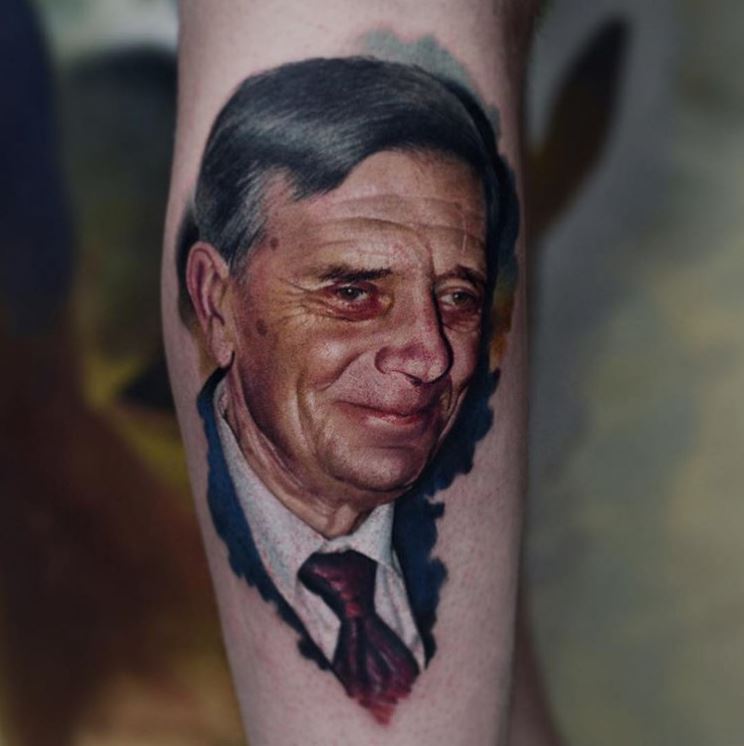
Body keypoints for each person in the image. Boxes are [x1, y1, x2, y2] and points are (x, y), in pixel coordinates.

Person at [165, 2, 556, 743]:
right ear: (216, 301)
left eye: (459, 297)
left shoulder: (448, 522)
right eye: (353, 293)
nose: (431, 357)